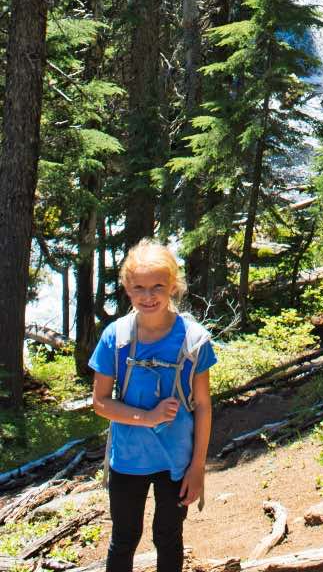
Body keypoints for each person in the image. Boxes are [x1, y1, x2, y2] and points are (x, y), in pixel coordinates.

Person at [90, 240, 216, 572]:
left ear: (173, 286)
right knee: (124, 538)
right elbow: (100, 402)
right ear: (127, 289)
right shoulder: (115, 338)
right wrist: (147, 417)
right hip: (128, 459)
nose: (148, 296)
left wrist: (198, 466)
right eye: (139, 288)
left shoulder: (194, 340)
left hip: (177, 461)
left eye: (157, 286)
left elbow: (202, 405)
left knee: (169, 537)